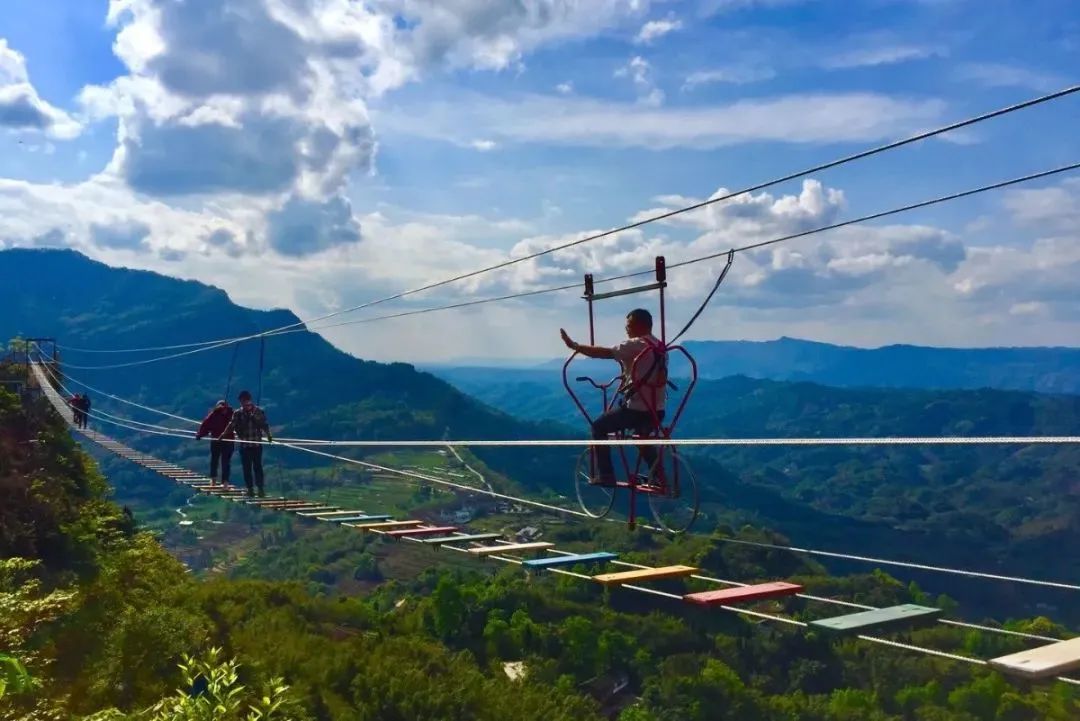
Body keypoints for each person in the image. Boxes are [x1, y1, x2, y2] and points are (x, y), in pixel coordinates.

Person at [560, 308, 666, 486]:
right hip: (657, 409)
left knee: (599, 427)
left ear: (639, 325)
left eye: (629, 325)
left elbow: (603, 353)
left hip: (637, 409)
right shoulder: (660, 347)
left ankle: (606, 475)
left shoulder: (635, 344)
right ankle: (659, 477)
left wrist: (575, 346)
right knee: (642, 437)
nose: (626, 329)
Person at [219, 390, 273, 497]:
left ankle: (260, 489)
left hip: (256, 445)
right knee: (247, 468)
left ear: (248, 400)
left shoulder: (258, 411)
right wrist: (223, 434)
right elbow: (232, 425)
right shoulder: (238, 413)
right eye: (243, 402)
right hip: (245, 445)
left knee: (257, 467)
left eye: (244, 402)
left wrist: (269, 435)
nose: (244, 404)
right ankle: (250, 490)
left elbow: (264, 425)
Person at [196, 400, 234, 487]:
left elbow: (206, 425)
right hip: (217, 440)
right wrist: (200, 434)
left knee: (224, 462)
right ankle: (215, 480)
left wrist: (200, 434)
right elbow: (206, 426)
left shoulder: (231, 414)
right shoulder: (214, 414)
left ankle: (224, 482)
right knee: (216, 461)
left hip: (226, 441)